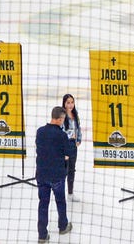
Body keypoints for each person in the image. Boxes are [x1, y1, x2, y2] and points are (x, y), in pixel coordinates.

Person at [36, 107, 75, 242]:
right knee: (60, 201)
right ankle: (63, 226)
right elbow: (68, 153)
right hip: (57, 175)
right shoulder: (62, 135)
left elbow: (41, 149)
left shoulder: (40, 132)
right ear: (60, 119)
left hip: (42, 174)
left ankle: (42, 235)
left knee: (43, 204)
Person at [61, 94, 83, 202]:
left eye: (72, 102)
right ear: (64, 104)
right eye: (68, 102)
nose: (70, 105)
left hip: (73, 146)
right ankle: (59, 193)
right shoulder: (62, 116)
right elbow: (60, 132)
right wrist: (71, 136)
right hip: (65, 146)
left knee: (72, 170)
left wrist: (78, 139)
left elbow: (78, 128)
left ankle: (70, 193)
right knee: (63, 171)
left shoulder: (75, 114)